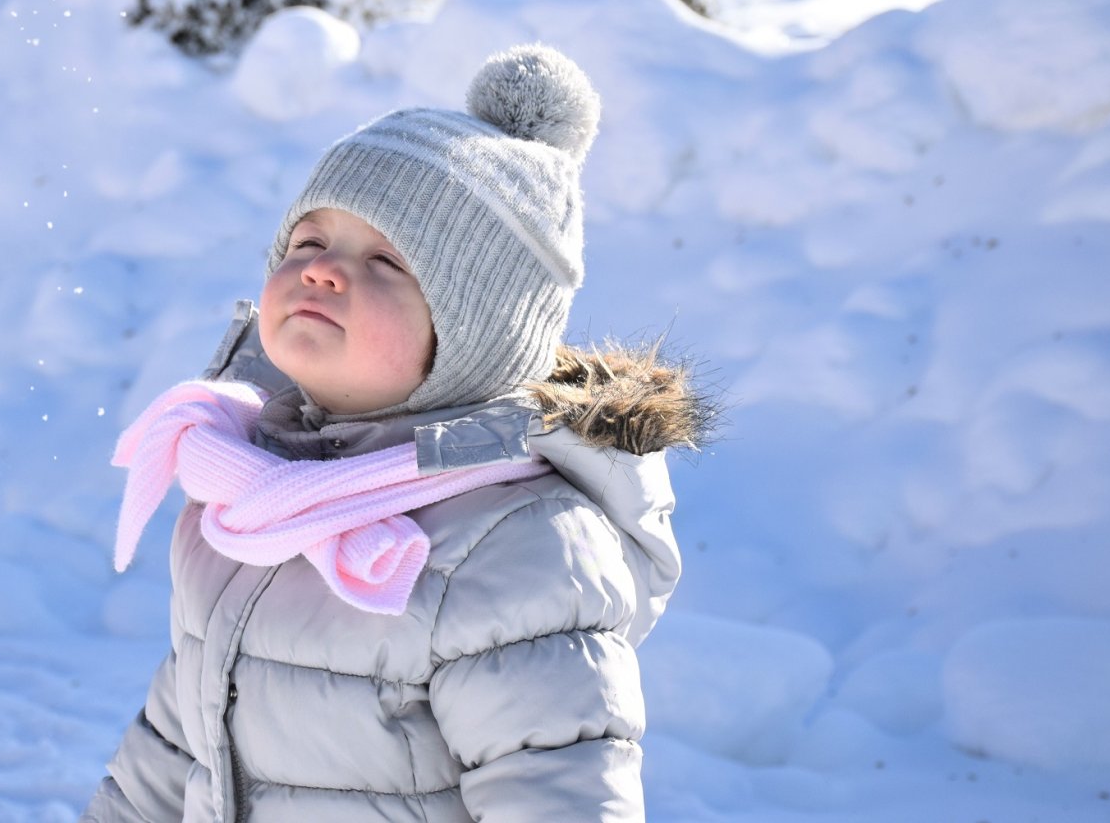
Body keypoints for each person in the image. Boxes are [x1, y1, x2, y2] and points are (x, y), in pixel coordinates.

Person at [82, 44, 709, 822]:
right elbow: (177, 742)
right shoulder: (249, 492)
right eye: (309, 243)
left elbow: (557, 794)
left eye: (386, 261)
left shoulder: (515, 545)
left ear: (475, 335)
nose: (322, 270)